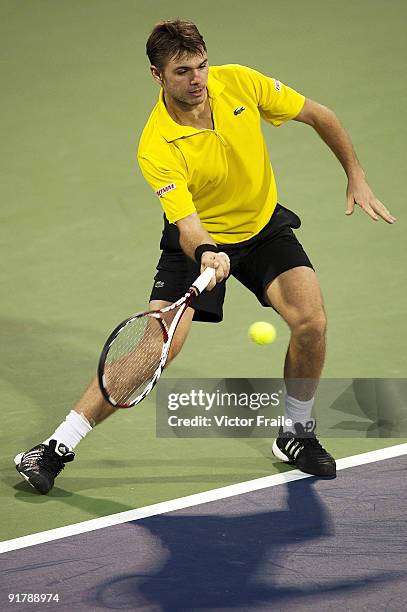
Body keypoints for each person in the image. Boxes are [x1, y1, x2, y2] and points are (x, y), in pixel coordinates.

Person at [15, 20, 396, 494]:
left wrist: (355, 174)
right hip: (200, 239)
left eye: (201, 66)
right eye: (182, 72)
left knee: (311, 321)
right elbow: (188, 226)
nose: (197, 79)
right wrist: (210, 254)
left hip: (261, 227)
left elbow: (321, 115)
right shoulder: (157, 144)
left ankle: (295, 434)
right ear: (157, 75)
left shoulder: (240, 82)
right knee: (158, 347)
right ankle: (54, 448)